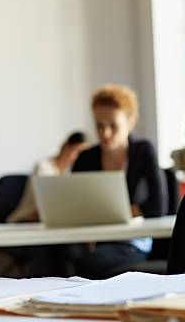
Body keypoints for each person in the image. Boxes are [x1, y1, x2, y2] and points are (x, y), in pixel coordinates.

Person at [73, 84, 167, 279]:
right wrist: (128, 210)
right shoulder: (85, 158)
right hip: (94, 241)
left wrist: (110, 214)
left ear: (130, 122)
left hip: (133, 243)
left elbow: (158, 207)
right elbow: (76, 207)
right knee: (52, 252)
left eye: (113, 126)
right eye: (99, 126)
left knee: (89, 263)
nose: (105, 133)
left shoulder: (143, 151)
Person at [6, 132, 88, 223]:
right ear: (65, 146)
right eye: (78, 152)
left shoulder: (70, 174)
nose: (80, 157)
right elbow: (44, 205)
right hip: (24, 221)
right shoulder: (43, 167)